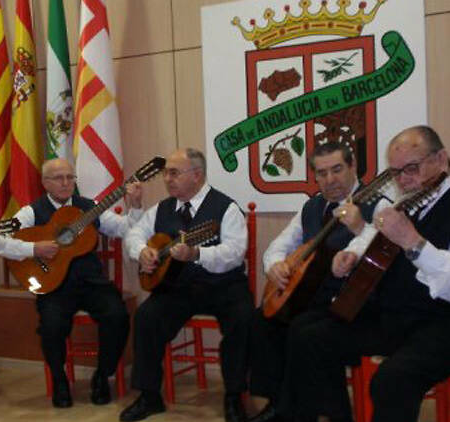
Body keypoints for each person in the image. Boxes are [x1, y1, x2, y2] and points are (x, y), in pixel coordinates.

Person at [288, 125, 450, 422]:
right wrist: (353, 254)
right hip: (395, 315)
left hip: (441, 323)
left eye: (411, 168)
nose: (404, 180)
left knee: (391, 380)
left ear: (441, 158)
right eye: (396, 172)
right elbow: (373, 240)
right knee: (308, 337)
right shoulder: (408, 204)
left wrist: (413, 242)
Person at [248, 142, 385, 422]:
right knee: (262, 318)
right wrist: (273, 265)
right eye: (322, 173)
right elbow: (280, 244)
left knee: (305, 331)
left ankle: (317, 413)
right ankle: (277, 401)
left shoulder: (377, 203)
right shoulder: (311, 207)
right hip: (315, 297)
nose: (330, 179)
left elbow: (372, 240)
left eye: (337, 170)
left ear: (353, 167)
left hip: (357, 302)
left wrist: (353, 243)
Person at [0, 158, 143, 408]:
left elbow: (126, 229)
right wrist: (34, 248)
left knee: (118, 316)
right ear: (44, 183)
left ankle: (102, 376)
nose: (65, 183)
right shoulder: (31, 212)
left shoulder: (89, 207)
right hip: (54, 285)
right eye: (58, 178)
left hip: (91, 282)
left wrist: (135, 206)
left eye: (70, 177)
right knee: (51, 326)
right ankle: (60, 380)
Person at [120, 148, 253, 422]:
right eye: (166, 173)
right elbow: (134, 234)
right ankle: (149, 396)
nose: (167, 179)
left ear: (197, 175)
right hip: (178, 288)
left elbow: (234, 252)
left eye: (173, 173)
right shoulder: (161, 208)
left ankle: (234, 395)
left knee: (244, 319)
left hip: (223, 285)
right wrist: (141, 251)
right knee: (146, 316)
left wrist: (197, 254)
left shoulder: (226, 208)